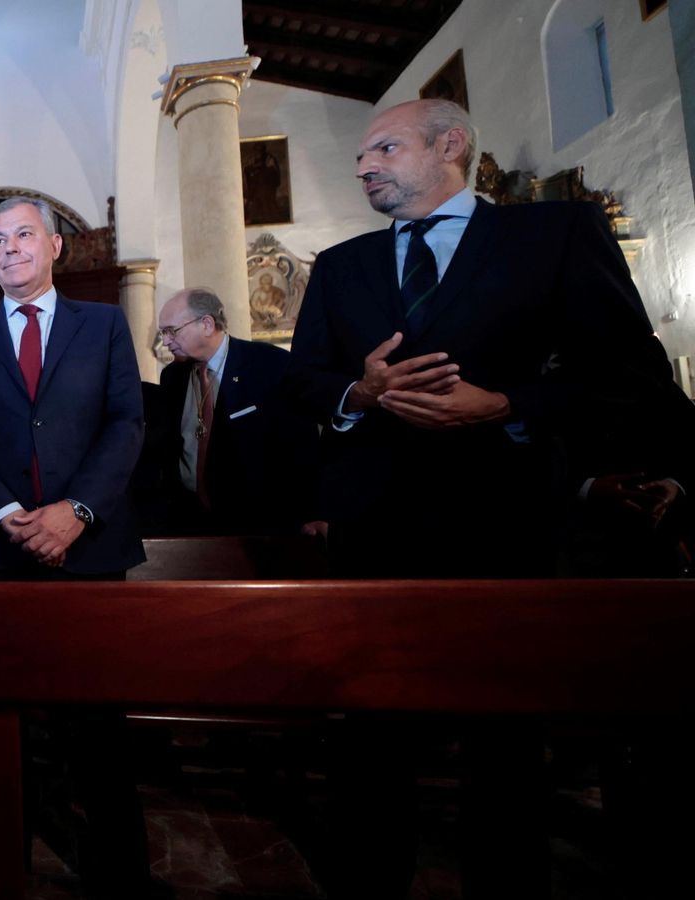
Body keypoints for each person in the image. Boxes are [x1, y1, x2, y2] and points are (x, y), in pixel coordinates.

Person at [283, 99, 669, 899]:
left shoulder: (553, 235)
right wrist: (361, 391)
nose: (363, 167)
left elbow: (630, 378)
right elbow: (302, 384)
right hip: (374, 534)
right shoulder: (341, 265)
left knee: (503, 747)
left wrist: (507, 406)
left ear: (450, 145)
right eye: (361, 157)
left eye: (384, 148)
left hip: (502, 523)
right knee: (372, 741)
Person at [0, 196, 150, 897]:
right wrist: (5, 513)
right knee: (0, 724)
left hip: (90, 552)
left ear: (56, 246)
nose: (9, 248)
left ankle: (119, 872)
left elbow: (126, 424)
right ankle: (1, 866)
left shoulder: (105, 324)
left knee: (99, 728)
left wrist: (76, 511)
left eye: (24, 234)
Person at [132, 287, 317, 536]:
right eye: (163, 333)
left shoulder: (270, 366)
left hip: (259, 524)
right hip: (189, 524)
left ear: (207, 324)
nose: (165, 341)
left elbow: (302, 448)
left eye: (171, 331)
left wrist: (311, 513)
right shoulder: (173, 376)